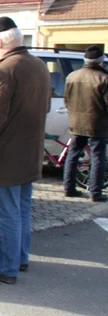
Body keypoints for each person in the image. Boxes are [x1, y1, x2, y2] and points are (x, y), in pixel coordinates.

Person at [0, 17, 51, 284]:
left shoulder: (5, 70)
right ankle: (20, 258)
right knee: (21, 210)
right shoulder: (39, 65)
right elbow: (46, 108)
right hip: (29, 153)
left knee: (6, 212)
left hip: (5, 157)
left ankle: (6, 267)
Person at [63, 45, 108, 203]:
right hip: (97, 124)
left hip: (76, 122)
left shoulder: (72, 76)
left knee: (73, 154)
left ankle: (68, 188)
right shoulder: (104, 78)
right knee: (97, 157)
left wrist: (73, 114)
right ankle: (95, 193)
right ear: (101, 61)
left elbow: (67, 100)